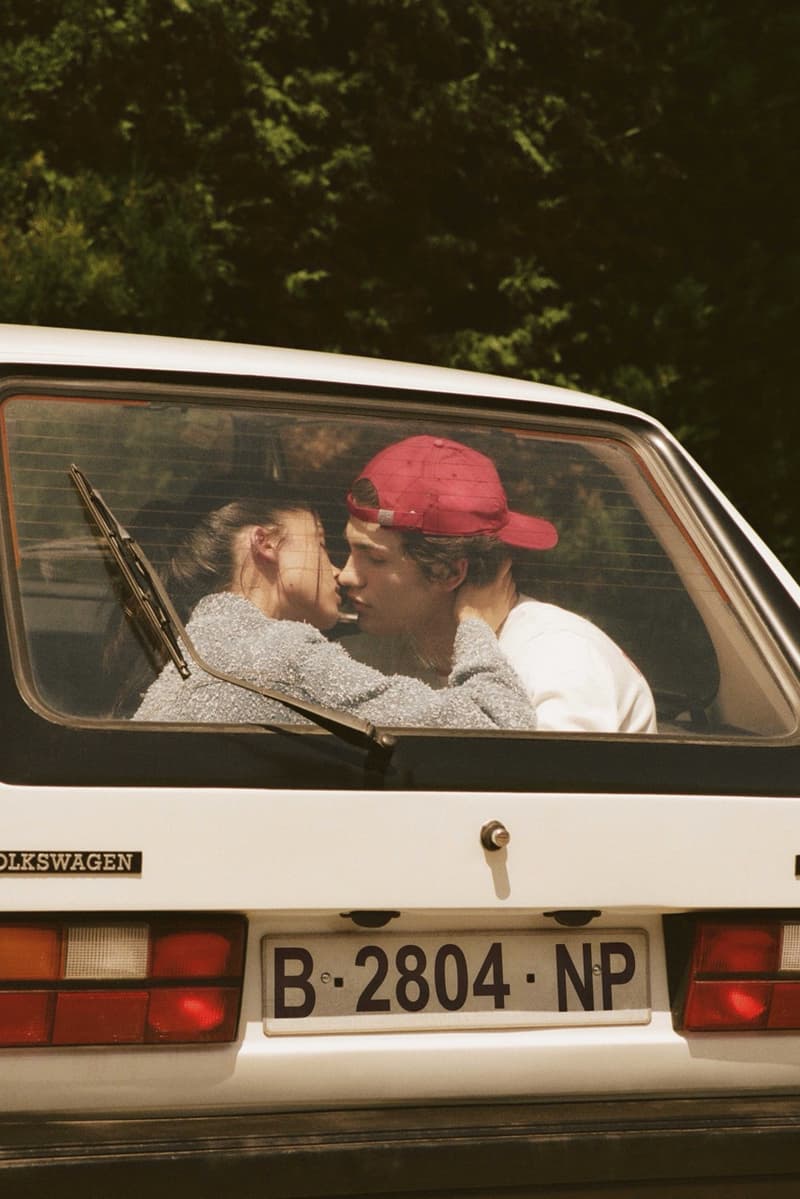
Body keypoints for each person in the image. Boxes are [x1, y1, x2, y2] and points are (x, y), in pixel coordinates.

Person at [132, 490, 537, 731]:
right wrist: (475, 621)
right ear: (266, 544)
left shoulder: (204, 646)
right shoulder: (277, 656)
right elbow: (498, 727)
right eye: (322, 543)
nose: (340, 572)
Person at [339, 435, 657, 734]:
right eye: (350, 551)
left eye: (375, 559)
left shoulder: (561, 659)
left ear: (449, 572)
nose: (346, 575)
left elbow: (546, 789)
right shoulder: (381, 650)